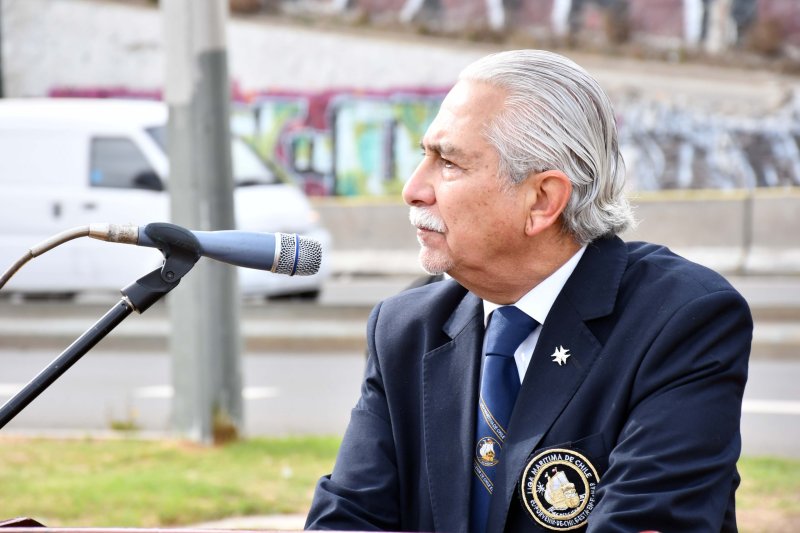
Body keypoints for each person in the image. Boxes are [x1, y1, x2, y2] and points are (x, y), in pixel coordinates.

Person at [305, 49, 752, 532]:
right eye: (424, 155)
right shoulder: (406, 328)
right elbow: (346, 519)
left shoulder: (681, 318)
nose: (413, 189)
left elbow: (645, 518)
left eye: (448, 162)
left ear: (542, 200)